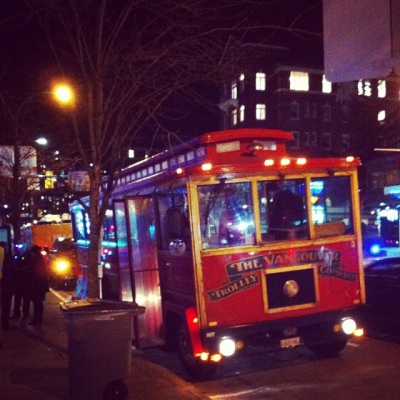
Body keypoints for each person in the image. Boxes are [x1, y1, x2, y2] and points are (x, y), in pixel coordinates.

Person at [26, 245, 49, 325]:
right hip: (40, 284)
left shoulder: (37, 259)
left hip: (38, 284)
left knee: (37, 302)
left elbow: (37, 272)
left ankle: (37, 319)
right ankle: (38, 319)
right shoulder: (40, 258)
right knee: (38, 302)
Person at [1, 242, 15, 330]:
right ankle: (4, 325)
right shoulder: (7, 257)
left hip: (4, 284)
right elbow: (12, 271)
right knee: (6, 306)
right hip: (6, 285)